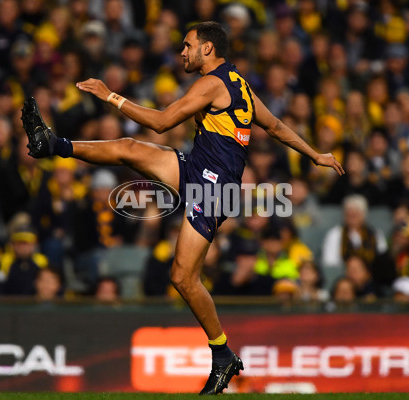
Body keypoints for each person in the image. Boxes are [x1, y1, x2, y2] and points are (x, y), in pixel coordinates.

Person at [21, 21, 343, 395]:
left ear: (208, 48)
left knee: (182, 277)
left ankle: (222, 354)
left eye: (188, 45)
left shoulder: (212, 84)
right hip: (198, 170)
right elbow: (274, 126)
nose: (182, 52)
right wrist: (315, 154)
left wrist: (111, 96)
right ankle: (53, 145)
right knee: (129, 148)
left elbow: (161, 123)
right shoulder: (238, 83)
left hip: (214, 189)